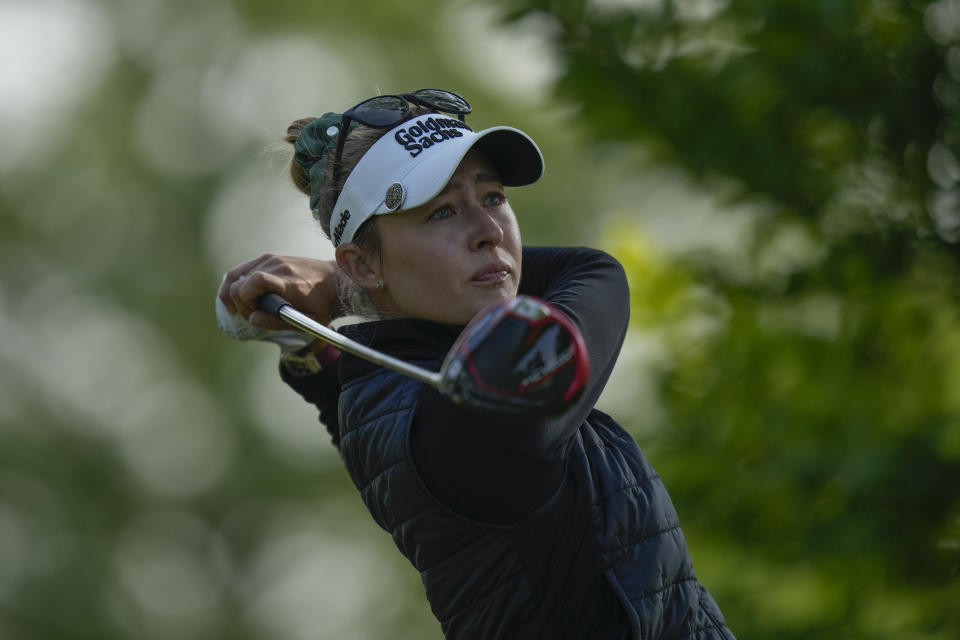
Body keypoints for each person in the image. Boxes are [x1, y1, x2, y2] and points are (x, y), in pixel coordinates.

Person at [217, 89, 735, 639]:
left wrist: (334, 305)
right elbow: (594, 272)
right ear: (362, 263)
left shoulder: (389, 387)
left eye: (492, 197)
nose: (490, 233)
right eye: (442, 211)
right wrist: (338, 289)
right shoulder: (478, 407)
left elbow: (345, 389)